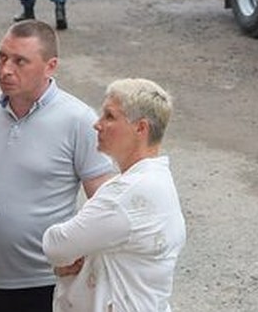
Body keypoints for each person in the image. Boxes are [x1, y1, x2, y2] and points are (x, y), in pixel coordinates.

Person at [0, 20, 115, 312]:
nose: (6, 69)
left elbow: (106, 202)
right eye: (2, 57)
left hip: (48, 285)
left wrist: (82, 252)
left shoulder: (78, 119)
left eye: (20, 61)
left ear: (50, 66)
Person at [42, 79, 185, 312]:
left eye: (109, 116)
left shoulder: (123, 195)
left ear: (141, 128)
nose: (97, 125)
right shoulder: (159, 180)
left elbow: (56, 245)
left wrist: (70, 253)